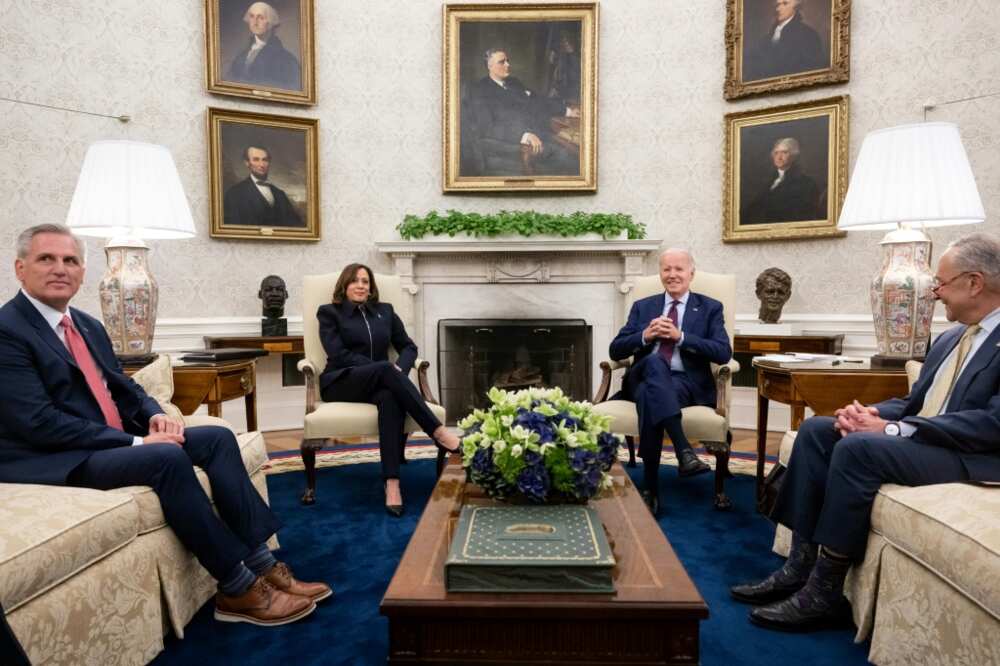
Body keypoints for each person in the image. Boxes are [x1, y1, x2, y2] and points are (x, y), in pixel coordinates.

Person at [0, 224, 331, 626]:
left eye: (70, 260)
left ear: (83, 271)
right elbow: (39, 423)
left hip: (107, 442)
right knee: (164, 459)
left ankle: (262, 563)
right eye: (46, 259)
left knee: (216, 438)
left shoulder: (86, 324)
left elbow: (122, 386)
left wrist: (156, 415)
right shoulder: (9, 331)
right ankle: (237, 587)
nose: (60, 268)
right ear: (20, 268)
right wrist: (136, 442)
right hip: (56, 457)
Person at [731, 232, 1000, 632]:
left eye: (940, 284)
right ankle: (798, 565)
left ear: (974, 282)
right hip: (925, 437)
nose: (935, 294)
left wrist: (893, 428)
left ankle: (825, 592)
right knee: (819, 429)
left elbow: (991, 424)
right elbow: (915, 402)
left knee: (858, 450)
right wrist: (868, 412)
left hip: (972, 456)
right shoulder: (949, 340)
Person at [316, 263, 462, 517]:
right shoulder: (330, 313)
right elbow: (338, 354)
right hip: (341, 381)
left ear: (371, 287)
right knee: (385, 372)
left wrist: (399, 370)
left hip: (381, 382)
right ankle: (438, 432)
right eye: (355, 281)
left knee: (390, 397)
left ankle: (392, 482)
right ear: (344, 285)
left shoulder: (384, 311)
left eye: (365, 281)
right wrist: (383, 369)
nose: (361, 286)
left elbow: (408, 347)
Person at [609, 249, 733, 515]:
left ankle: (650, 488)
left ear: (691, 273)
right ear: (660, 273)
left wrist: (681, 337)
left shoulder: (710, 307)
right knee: (655, 363)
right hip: (642, 373)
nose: (672, 275)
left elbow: (723, 352)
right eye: (667, 269)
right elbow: (615, 350)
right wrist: (644, 335)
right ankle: (684, 452)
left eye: (679, 269)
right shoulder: (644, 306)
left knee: (649, 396)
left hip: (684, 384)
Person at [464, 48, 580, 177]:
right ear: (489, 66)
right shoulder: (479, 90)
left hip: (540, 134)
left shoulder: (514, 83)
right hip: (515, 145)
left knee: (574, 148)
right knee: (570, 158)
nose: (508, 65)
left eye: (507, 61)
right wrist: (524, 135)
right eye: (502, 62)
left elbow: (538, 101)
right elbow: (487, 127)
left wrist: (567, 111)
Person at [742, 137, 821, 225]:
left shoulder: (806, 183)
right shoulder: (765, 181)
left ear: (794, 156)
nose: (779, 157)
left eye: (784, 152)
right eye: (776, 153)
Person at [223, 145, 304, 228]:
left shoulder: (280, 194)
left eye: (265, 160)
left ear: (269, 162)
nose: (261, 164)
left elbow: (295, 226)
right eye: (256, 159)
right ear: (247, 163)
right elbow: (232, 228)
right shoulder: (234, 193)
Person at [744, 0, 825, 82]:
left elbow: (811, 72)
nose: (778, 9)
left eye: (785, 3)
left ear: (796, 7)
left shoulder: (808, 35)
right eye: (778, 4)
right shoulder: (766, 39)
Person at [227, 1, 301, 90]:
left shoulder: (286, 59)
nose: (255, 22)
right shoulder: (241, 56)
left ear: (271, 23)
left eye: (261, 17)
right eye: (252, 16)